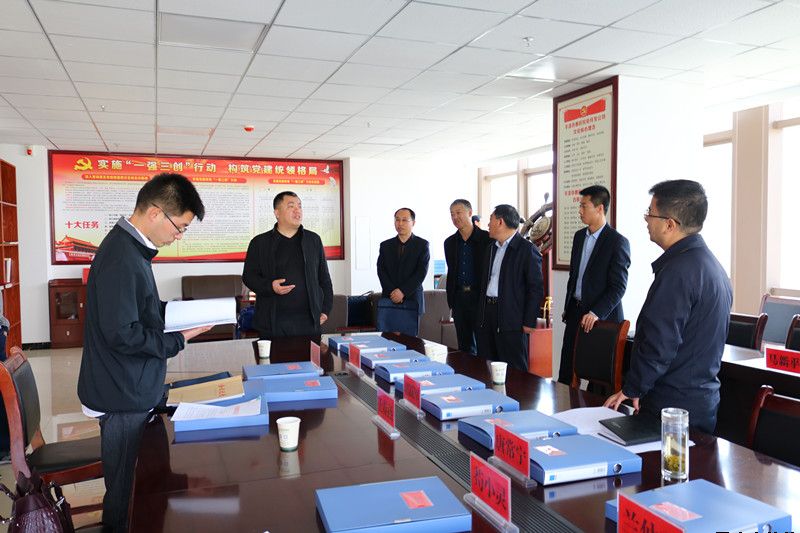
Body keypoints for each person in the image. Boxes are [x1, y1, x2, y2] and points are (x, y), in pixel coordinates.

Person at [77, 173, 210, 531]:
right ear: (155, 213)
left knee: (135, 485)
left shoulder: (131, 249)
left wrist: (182, 313)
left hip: (128, 386)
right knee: (125, 493)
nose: (179, 236)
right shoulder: (122, 257)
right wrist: (178, 340)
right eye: (180, 227)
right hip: (121, 394)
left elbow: (142, 309)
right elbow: (123, 334)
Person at [604, 180, 732, 433]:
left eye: (650, 213)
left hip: (672, 407)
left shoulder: (679, 272)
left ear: (670, 224)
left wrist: (633, 388)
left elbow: (659, 342)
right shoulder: (712, 266)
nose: (646, 219)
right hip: (700, 401)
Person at [558, 185, 630, 385]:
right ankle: (563, 405)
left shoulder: (617, 242)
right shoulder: (579, 237)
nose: (580, 211)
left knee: (597, 379)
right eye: (579, 206)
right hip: (575, 312)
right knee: (566, 371)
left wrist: (596, 312)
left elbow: (618, 287)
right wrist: (568, 306)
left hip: (600, 319)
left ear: (599, 208)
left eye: (584, 206)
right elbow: (575, 276)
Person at [242, 191, 333, 339]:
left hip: (309, 323)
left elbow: (324, 279)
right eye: (291, 206)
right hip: (272, 323)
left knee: (310, 355)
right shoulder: (260, 243)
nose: (298, 211)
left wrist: (325, 309)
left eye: (299, 206)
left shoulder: (313, 240)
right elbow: (249, 277)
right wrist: (270, 286)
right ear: (277, 213)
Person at [477, 204, 544, 372]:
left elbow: (535, 288)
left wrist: (529, 321)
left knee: (514, 370)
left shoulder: (526, 250)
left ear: (500, 222)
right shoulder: (491, 248)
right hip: (487, 314)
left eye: (491, 220)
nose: (488, 224)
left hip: (512, 319)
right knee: (487, 366)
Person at [444, 199, 490, 354]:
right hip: (459, 298)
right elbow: (452, 271)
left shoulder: (487, 239)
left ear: (470, 213)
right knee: (464, 345)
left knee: (483, 344)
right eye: (452, 214)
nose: (455, 217)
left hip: (480, 298)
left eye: (458, 213)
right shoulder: (449, 242)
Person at [377, 208, 430, 333]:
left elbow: (421, 273)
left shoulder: (422, 245)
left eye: (404, 220)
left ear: (413, 223)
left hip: (412, 298)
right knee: (388, 339)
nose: (400, 223)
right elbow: (381, 271)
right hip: (389, 298)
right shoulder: (385, 245)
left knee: (410, 341)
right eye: (397, 220)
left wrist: (402, 292)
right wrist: (393, 292)